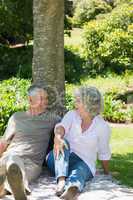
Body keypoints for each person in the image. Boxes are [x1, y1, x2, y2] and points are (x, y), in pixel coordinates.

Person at [46, 86, 111, 200]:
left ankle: (73, 188)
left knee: (79, 172)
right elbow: (61, 127)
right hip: (59, 158)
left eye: (78, 100)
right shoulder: (72, 115)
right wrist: (58, 136)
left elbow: (103, 151)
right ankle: (61, 181)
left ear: (88, 104)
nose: (75, 103)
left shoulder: (102, 126)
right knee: (63, 142)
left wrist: (107, 173)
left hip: (84, 162)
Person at [0, 85, 60, 200]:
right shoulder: (17, 117)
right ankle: (17, 189)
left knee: (19, 173)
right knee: (13, 162)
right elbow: (4, 142)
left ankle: (7, 187)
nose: (45, 102)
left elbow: (64, 125)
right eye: (41, 99)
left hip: (32, 163)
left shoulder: (51, 118)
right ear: (30, 100)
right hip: (10, 157)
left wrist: (58, 136)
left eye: (46, 98)